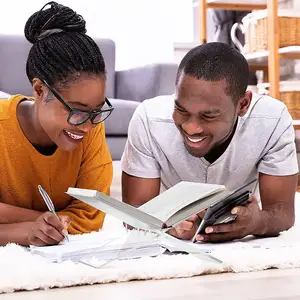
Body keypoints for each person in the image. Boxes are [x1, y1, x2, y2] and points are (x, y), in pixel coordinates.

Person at [121, 42, 298, 243]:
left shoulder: (272, 119)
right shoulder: (148, 119)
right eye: (182, 110)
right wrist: (166, 223)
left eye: (208, 116)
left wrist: (257, 222)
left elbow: (282, 213)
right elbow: (132, 215)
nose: (191, 127)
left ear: (243, 104)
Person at [0, 2, 114, 246]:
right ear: (40, 90)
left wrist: (12, 218)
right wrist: (28, 230)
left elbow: (91, 217)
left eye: (96, 111)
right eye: (76, 110)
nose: (86, 127)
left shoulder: (91, 127)